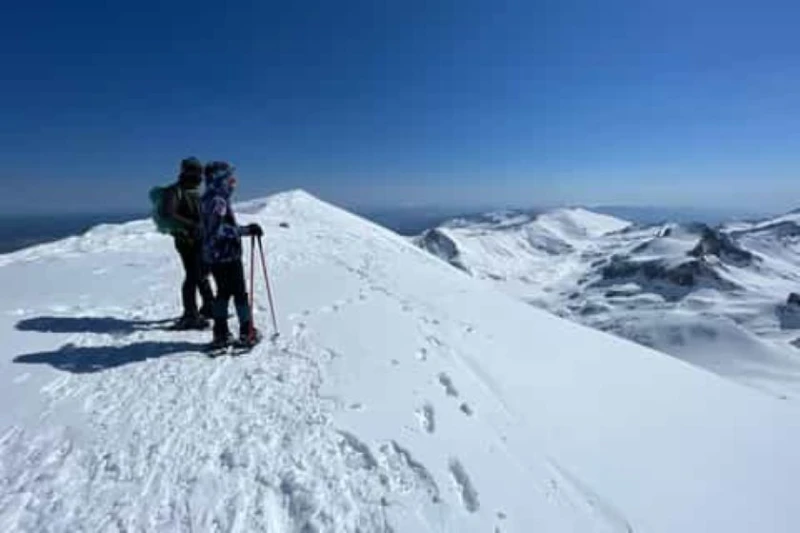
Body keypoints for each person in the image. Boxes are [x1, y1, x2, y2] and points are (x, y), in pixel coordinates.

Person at [201, 161, 264, 348]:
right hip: (226, 256)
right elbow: (218, 230)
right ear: (219, 179)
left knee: (223, 293)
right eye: (229, 178)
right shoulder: (218, 201)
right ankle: (247, 332)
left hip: (214, 256)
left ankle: (221, 333)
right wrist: (245, 230)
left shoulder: (208, 198)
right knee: (239, 294)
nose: (233, 182)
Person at [162, 157, 215, 329]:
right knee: (193, 275)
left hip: (200, 240)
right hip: (186, 241)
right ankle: (190, 314)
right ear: (186, 172)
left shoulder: (192, 191)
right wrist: (192, 225)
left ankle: (209, 306)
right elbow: (168, 213)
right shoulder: (175, 191)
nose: (199, 177)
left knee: (202, 272)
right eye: (196, 172)